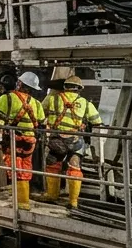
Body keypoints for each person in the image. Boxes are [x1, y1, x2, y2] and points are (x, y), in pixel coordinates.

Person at [42, 75, 100, 208]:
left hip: (57, 140)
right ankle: (73, 201)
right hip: (75, 140)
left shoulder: (52, 99)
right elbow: (96, 120)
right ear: (79, 89)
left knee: (52, 165)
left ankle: (52, 195)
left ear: (65, 87)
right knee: (75, 166)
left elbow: (40, 114)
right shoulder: (85, 103)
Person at [0, 71, 46, 210]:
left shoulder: (7, 98)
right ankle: (22, 198)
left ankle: (21, 203)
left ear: (20, 83)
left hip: (14, 139)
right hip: (30, 141)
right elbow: (41, 121)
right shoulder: (36, 103)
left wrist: (3, 125)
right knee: (25, 168)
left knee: (15, 169)